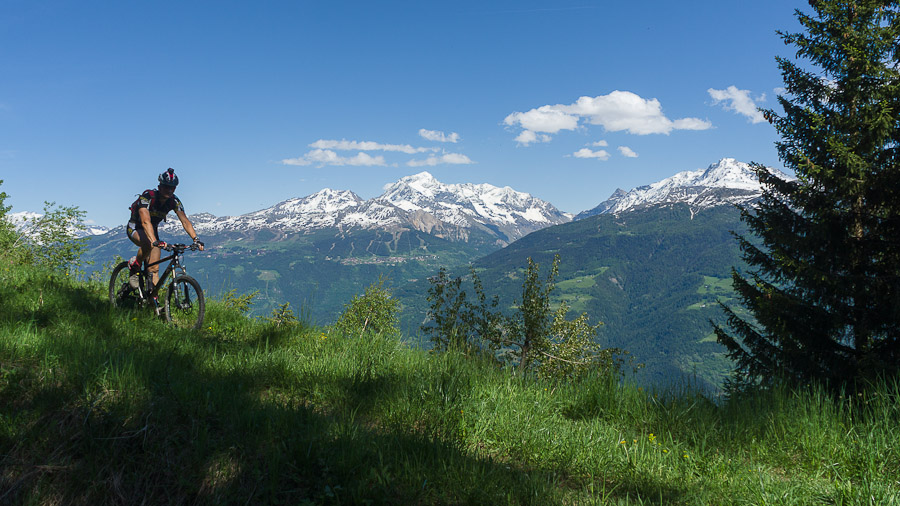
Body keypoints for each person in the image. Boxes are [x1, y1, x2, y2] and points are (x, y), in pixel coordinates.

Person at [126, 168, 204, 290]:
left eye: (172, 188)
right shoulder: (147, 197)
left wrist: (196, 239)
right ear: (160, 186)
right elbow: (145, 221)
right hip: (136, 227)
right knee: (148, 244)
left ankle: (155, 304)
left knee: (154, 269)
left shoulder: (174, 201)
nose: (169, 190)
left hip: (152, 231)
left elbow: (185, 221)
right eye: (166, 186)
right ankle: (135, 264)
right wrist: (154, 241)